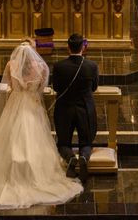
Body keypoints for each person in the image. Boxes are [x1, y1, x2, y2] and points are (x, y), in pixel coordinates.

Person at [0, 42, 83, 209]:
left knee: (12, 137)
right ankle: (37, 175)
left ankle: (9, 173)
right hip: (32, 105)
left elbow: (8, 85)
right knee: (35, 139)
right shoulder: (41, 67)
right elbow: (42, 87)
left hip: (15, 105)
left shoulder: (11, 65)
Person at [52, 33, 99, 182]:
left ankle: (71, 157)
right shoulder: (92, 66)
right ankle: (84, 157)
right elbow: (94, 87)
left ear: (68, 48)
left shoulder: (59, 67)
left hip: (64, 109)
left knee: (63, 142)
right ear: (83, 47)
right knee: (86, 142)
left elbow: (56, 87)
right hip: (85, 108)